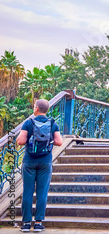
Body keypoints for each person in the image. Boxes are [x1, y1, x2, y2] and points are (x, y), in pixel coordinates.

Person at [16, 99, 63, 232]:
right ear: (46, 110)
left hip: (29, 161)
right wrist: (47, 142)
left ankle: (25, 224)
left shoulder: (28, 123)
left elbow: (20, 141)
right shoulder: (53, 123)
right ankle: (38, 223)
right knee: (42, 192)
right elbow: (59, 142)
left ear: (36, 108)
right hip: (45, 162)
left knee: (27, 191)